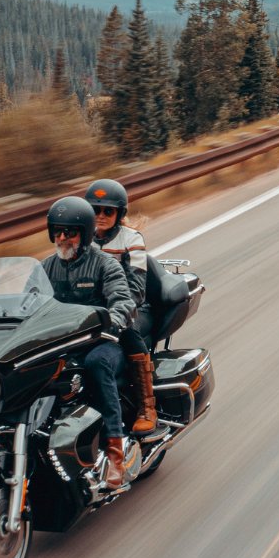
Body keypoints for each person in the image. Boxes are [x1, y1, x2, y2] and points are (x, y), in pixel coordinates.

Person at [39, 196, 137, 488]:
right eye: (57, 231)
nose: (62, 238)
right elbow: (27, 304)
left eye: (69, 232)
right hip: (62, 345)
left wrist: (113, 322)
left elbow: (122, 299)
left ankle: (116, 450)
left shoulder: (105, 264)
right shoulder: (45, 268)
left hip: (102, 343)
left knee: (97, 364)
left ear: (84, 233)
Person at [84, 178, 157, 435]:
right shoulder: (83, 240)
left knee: (128, 330)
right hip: (94, 312)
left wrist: (115, 312)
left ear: (119, 213)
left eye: (108, 211)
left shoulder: (131, 239)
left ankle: (146, 406)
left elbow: (136, 288)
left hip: (135, 308)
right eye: (95, 210)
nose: (101, 216)